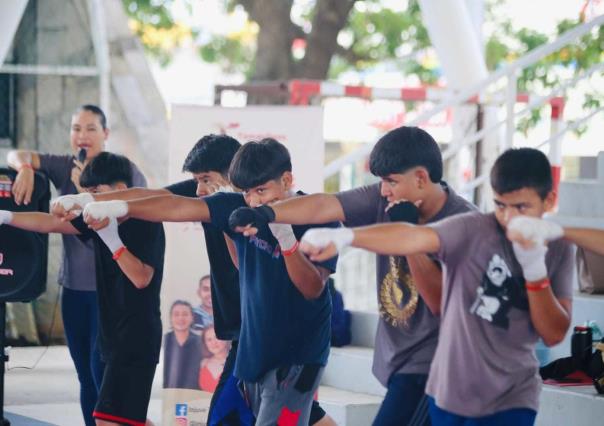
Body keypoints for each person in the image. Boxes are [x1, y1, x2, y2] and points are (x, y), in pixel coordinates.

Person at [52, 134, 336, 426]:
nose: (254, 200)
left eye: (261, 190)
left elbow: (313, 288)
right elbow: (169, 203)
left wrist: (286, 240)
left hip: (298, 353)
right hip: (253, 345)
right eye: (248, 192)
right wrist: (101, 202)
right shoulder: (236, 204)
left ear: (287, 180)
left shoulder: (316, 215)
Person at [299, 147, 575, 426]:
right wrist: (344, 236)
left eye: (522, 208)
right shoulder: (474, 228)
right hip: (449, 394)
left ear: (549, 200)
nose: (509, 219)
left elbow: (553, 334)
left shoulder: (558, 248)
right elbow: (413, 237)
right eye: (501, 205)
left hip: (511, 397)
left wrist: (535, 272)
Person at [229, 126, 475, 425]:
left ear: (421, 178)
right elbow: (325, 204)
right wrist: (267, 214)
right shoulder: (385, 199)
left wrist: (410, 238)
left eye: (391, 182)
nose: (383, 190)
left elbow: (440, 303)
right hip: (402, 362)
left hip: (446, 363)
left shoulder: (463, 222)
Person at [5, 104, 147, 426]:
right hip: (73, 292)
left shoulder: (123, 170)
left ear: (105, 134)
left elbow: (131, 224)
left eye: (90, 129)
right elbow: (16, 153)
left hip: (108, 293)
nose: (82, 136)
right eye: (76, 128)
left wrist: (86, 194)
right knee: (85, 376)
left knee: (103, 378)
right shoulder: (63, 166)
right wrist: (25, 167)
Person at [163, 300, 202, 390]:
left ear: (192, 317)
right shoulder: (164, 341)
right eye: (176, 314)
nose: (181, 318)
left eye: (185, 314)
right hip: (168, 394)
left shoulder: (200, 342)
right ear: (170, 318)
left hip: (194, 396)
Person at [199, 325, 230, 392]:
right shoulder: (204, 363)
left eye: (216, 337)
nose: (213, 343)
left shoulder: (235, 362)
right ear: (205, 343)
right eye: (209, 340)